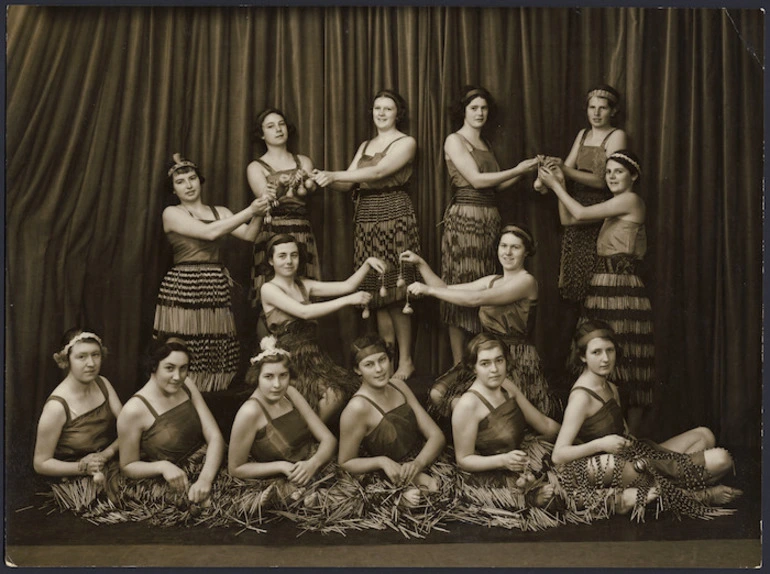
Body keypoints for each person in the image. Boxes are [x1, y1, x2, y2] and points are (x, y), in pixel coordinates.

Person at [551, 321, 742, 520]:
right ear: (582, 356)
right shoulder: (581, 398)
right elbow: (558, 455)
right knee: (722, 460)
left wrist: (647, 455)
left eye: (610, 350)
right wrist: (601, 444)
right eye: (596, 352)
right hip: (606, 466)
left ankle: (656, 487)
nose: (606, 359)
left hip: (633, 457)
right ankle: (698, 495)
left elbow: (626, 434)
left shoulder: (611, 387)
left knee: (705, 435)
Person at [538, 150, 651, 433]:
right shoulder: (613, 204)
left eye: (619, 172)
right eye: (608, 172)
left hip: (623, 289)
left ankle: (632, 439)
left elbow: (579, 212)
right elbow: (569, 220)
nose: (612, 176)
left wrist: (554, 186)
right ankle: (603, 431)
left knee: (631, 362)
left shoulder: (630, 200)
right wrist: (560, 186)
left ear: (633, 176)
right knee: (598, 354)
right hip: (601, 286)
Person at [312, 89, 420, 380]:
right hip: (367, 217)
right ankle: (387, 360)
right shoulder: (365, 145)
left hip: (395, 213)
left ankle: (406, 361)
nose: (382, 113)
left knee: (397, 290)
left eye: (388, 108)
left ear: (398, 113)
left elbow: (377, 173)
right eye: (377, 108)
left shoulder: (405, 142)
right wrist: (317, 177)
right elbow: (348, 184)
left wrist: (333, 174)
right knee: (376, 291)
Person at [402, 224, 553, 417]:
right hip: (487, 352)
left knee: (494, 407)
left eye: (515, 247)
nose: (507, 252)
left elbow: (475, 299)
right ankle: (478, 436)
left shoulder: (526, 281)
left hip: (513, 358)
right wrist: (420, 264)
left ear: (526, 252)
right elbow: (446, 289)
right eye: (503, 246)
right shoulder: (492, 280)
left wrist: (428, 290)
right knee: (438, 393)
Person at [154, 154, 271, 392]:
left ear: (200, 180)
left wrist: (260, 209)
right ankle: (182, 395)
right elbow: (210, 233)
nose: (188, 185)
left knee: (213, 347)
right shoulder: (172, 213)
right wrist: (251, 209)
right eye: (180, 181)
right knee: (183, 343)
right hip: (183, 285)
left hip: (214, 285)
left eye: (192, 178)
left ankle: (210, 398)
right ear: (173, 189)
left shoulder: (221, 212)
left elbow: (250, 236)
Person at [440, 85, 539, 364]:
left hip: (489, 218)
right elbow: (477, 180)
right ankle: (461, 364)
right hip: (466, 218)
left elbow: (498, 185)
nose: (480, 113)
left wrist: (526, 171)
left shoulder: (486, 144)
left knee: (485, 288)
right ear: (464, 111)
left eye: (484, 108)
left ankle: (480, 361)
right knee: (460, 284)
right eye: (474, 108)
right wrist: (518, 168)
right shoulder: (455, 140)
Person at [260, 233, 386, 423]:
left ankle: (313, 435)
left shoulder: (304, 285)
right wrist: (349, 301)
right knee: (333, 395)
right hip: (291, 360)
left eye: (294, 255)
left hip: (314, 357)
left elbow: (347, 286)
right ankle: (307, 439)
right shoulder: (268, 289)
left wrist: (367, 264)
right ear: (271, 260)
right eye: (282, 256)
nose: (289, 261)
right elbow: (304, 312)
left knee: (348, 388)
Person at [450, 333, 564, 529]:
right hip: (488, 472)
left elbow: (543, 424)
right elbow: (464, 460)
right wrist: (503, 460)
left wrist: (573, 438)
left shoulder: (507, 387)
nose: (494, 370)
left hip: (519, 461)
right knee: (547, 500)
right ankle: (527, 499)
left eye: (499, 361)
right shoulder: (467, 405)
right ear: (473, 367)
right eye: (485, 363)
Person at [116, 337, 226, 516]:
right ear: (153, 366)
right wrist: (163, 466)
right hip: (172, 479)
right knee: (208, 507)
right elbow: (127, 466)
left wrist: (205, 479)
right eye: (169, 368)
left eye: (183, 368)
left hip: (206, 463)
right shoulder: (133, 410)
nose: (178, 377)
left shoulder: (187, 385)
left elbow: (214, 436)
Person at [227, 336, 336, 506]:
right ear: (256, 377)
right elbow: (235, 468)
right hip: (282, 479)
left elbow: (328, 439)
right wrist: (281, 466)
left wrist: (313, 463)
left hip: (312, 465)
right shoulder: (250, 412)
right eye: (269, 377)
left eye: (283, 375)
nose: (277, 384)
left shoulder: (290, 393)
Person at [338, 334, 446, 505]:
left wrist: (418, 464)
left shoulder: (399, 386)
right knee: (415, 500)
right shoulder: (357, 409)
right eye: (369, 365)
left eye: (382, 360)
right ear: (357, 370)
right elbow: (345, 463)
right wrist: (381, 461)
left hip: (418, 460)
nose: (379, 369)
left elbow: (436, 435)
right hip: (385, 474)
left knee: (440, 488)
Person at [33, 329, 123, 511]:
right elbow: (40, 464)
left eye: (95, 355)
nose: (91, 363)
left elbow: (128, 429)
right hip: (74, 479)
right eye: (81, 357)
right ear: (66, 360)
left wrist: (105, 455)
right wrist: (83, 467)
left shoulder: (103, 384)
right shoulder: (56, 407)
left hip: (107, 465)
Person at [247, 108, 320, 308]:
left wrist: (305, 182)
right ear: (261, 134)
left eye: (281, 124)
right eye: (270, 126)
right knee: (270, 288)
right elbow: (265, 199)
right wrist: (281, 187)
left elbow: (309, 189)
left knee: (303, 287)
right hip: (272, 231)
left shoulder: (302, 161)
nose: (278, 129)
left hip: (301, 230)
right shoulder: (256, 166)